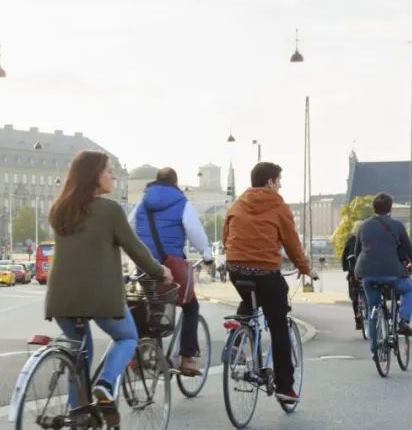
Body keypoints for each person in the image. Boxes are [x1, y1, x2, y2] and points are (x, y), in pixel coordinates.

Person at [45, 150, 172, 410]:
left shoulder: (60, 209)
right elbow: (135, 249)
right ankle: (106, 383)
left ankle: (77, 411)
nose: (112, 175)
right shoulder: (109, 210)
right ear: (94, 175)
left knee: (81, 352)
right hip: (100, 297)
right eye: (108, 170)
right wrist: (160, 271)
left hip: (61, 298)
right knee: (127, 337)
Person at [223, 162, 316, 403]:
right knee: (278, 324)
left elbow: (226, 236)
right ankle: (285, 387)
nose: (281, 185)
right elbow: (291, 242)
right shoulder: (278, 205)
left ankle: (238, 338)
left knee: (250, 299)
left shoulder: (237, 203)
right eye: (279, 181)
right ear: (270, 182)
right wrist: (306, 269)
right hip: (265, 272)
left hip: (235, 268)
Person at [129, 167, 214, 376]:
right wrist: (207, 254)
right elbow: (195, 232)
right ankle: (187, 358)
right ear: (175, 183)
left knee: (150, 306)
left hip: (145, 266)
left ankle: (142, 353)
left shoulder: (141, 205)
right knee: (190, 306)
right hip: (170, 267)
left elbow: (129, 229)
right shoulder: (181, 203)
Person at [353, 193, 412, 343]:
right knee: (408, 290)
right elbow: (409, 249)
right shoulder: (398, 225)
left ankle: (374, 346)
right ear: (390, 208)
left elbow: (357, 252)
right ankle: (403, 320)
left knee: (372, 307)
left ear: (374, 208)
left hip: (367, 274)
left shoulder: (363, 226)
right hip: (393, 273)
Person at [341, 220, 365, 329]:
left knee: (354, 298)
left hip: (353, 274)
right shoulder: (367, 240)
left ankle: (357, 319)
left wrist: (345, 268)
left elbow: (344, 256)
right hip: (366, 272)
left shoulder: (350, 240)